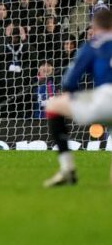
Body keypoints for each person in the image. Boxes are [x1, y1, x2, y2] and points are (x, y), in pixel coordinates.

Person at [44, 10, 112, 187]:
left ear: (95, 27)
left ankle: (67, 168)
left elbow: (69, 81)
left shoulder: (93, 45)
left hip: (105, 98)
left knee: (53, 105)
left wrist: (73, 95)